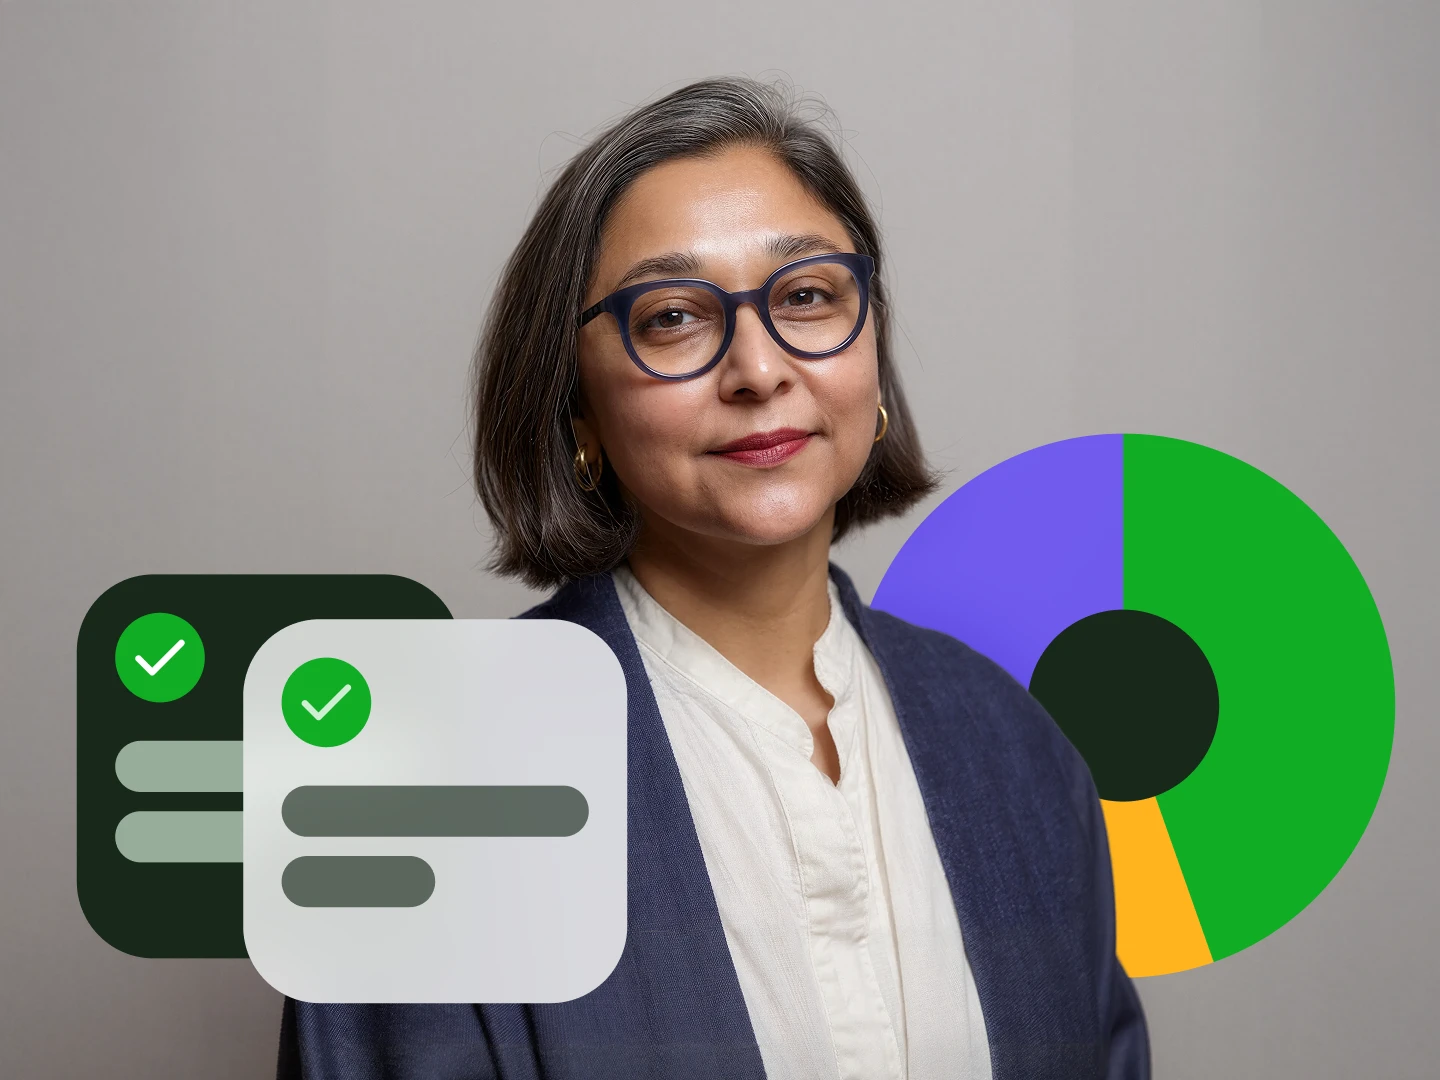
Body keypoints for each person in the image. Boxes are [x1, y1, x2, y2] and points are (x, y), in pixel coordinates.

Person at [278, 76, 1149, 1080]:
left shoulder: (1016, 751)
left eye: (810, 295)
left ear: (872, 353)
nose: (759, 368)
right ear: (579, 414)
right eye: (675, 317)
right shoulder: (423, 776)